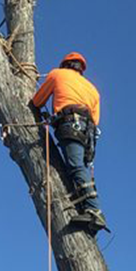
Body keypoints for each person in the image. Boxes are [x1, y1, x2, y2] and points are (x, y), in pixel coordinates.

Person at [31, 52, 109, 233]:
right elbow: (95, 120)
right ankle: (84, 205)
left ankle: (94, 210)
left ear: (65, 64)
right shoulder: (93, 89)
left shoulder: (58, 74)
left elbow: (37, 101)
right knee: (79, 166)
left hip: (70, 125)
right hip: (87, 132)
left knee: (75, 167)